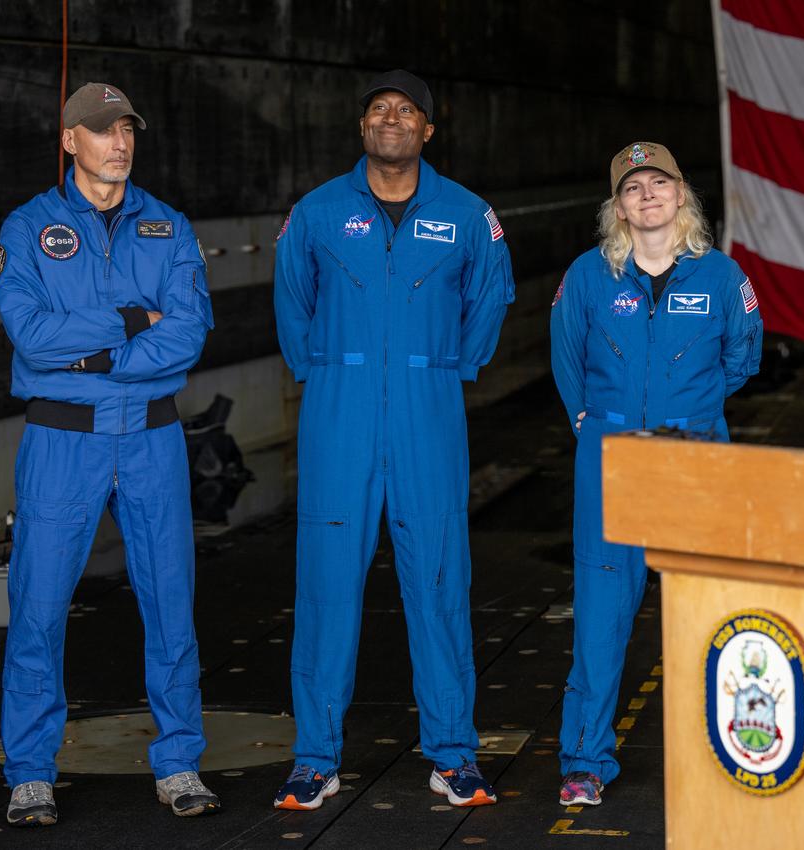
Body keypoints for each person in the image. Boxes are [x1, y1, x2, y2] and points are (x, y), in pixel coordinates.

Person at [273, 69, 514, 811]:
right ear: (362, 126)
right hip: (338, 415)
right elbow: (292, 299)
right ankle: (315, 760)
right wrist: (323, 368)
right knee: (326, 590)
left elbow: (490, 296)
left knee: (439, 584)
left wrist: (449, 367)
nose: (391, 118)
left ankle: (454, 757)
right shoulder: (317, 212)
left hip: (427, 414)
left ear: (427, 130)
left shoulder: (467, 214)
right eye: (378, 108)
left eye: (406, 110)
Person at [0, 82, 219, 826]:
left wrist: (94, 360)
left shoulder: (168, 226)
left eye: (127, 129)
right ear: (70, 141)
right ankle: (31, 773)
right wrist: (128, 320)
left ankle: (179, 762)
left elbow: (188, 330)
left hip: (151, 436)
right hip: (62, 441)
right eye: (101, 130)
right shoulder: (29, 228)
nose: (118, 143)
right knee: (38, 605)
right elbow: (31, 334)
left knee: (171, 602)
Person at [550, 142, 763, 806]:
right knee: (601, 615)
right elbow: (566, 357)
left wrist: (692, 409)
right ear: (617, 207)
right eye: (633, 187)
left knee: (706, 611)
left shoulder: (722, 276)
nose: (647, 195)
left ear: (681, 194)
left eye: (659, 183)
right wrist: (593, 421)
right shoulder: (588, 276)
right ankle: (585, 760)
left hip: (694, 457)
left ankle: (726, 756)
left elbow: (743, 356)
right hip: (611, 459)